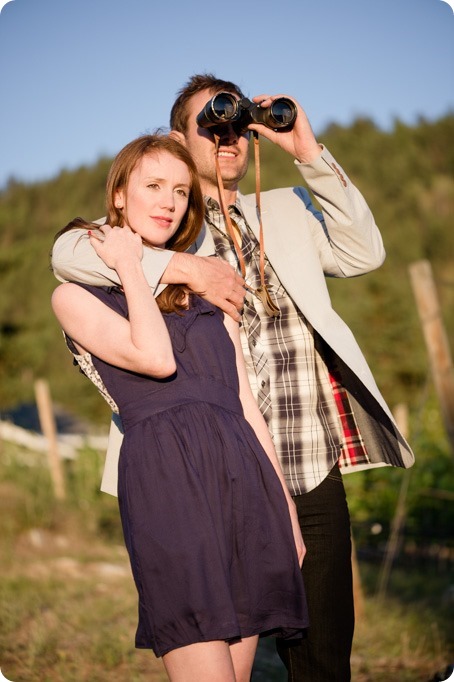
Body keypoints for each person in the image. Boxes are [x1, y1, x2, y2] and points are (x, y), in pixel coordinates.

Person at [51, 75, 415, 682]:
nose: (227, 138)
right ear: (175, 139)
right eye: (210, 125)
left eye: (238, 126)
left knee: (324, 656)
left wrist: (307, 153)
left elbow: (363, 252)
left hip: (303, 458)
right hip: (201, 467)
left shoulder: (288, 210)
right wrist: (186, 264)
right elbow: (70, 255)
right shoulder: (167, 223)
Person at [51, 134, 309, 682]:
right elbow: (156, 359)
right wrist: (129, 265)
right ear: (119, 196)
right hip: (167, 478)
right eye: (152, 187)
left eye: (182, 192)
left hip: (243, 476)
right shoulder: (73, 295)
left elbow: (245, 403)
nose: (169, 202)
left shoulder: (207, 288)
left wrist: (284, 509)